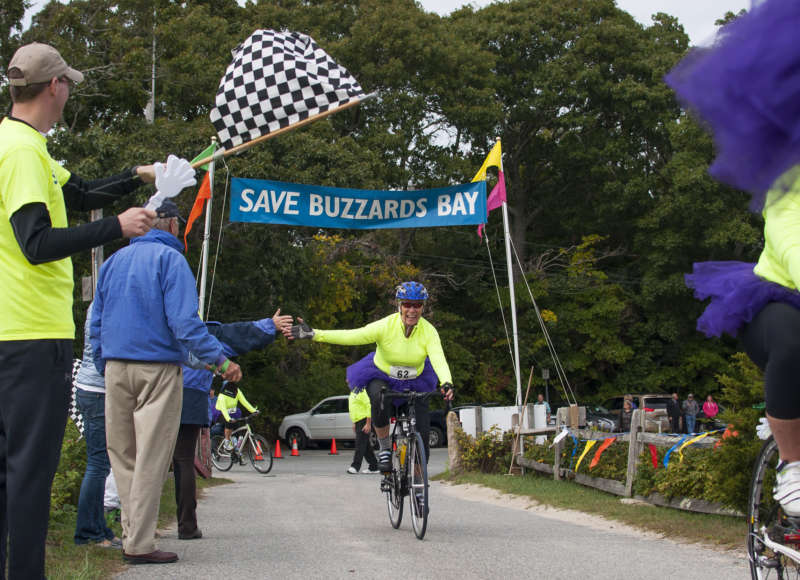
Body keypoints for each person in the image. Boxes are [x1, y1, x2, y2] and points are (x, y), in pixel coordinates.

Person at [0, 41, 163, 579]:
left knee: (10, 470)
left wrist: (142, 173)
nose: (68, 91)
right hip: (29, 334)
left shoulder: (25, 146)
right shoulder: (24, 153)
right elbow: (35, 242)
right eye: (67, 83)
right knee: (29, 469)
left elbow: (86, 192)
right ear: (55, 87)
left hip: (11, 331)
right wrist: (118, 228)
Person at [666, 0, 800, 517]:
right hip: (780, 298)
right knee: (794, 342)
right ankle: (792, 463)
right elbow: (788, 233)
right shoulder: (792, 172)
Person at [91, 199, 242, 565]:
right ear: (173, 226)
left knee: (123, 456)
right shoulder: (171, 260)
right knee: (152, 458)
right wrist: (220, 360)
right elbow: (185, 324)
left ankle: (132, 534)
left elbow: (94, 319)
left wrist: (102, 361)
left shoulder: (113, 262)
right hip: (157, 367)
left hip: (115, 367)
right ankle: (140, 544)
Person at [290, 281, 455, 479]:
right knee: (378, 396)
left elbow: (438, 358)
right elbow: (352, 336)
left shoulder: (429, 331)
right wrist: (315, 334)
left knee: (423, 441)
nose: (412, 310)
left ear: (423, 307)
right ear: (399, 305)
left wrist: (446, 382)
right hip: (382, 375)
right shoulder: (385, 326)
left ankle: (419, 487)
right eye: (407, 305)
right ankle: (385, 449)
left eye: (417, 305)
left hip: (416, 380)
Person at [176, 312, 292, 540]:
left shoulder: (162, 327)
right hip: (191, 396)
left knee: (152, 459)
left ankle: (141, 527)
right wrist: (270, 325)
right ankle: (187, 526)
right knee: (184, 460)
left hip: (159, 390)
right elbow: (241, 334)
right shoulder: (207, 335)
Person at [73, 302, 121, 548]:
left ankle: (99, 528)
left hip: (93, 388)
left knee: (102, 463)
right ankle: (87, 532)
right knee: (98, 463)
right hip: (97, 389)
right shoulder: (105, 303)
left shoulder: (99, 302)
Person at [216, 381, 258, 451]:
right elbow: (223, 409)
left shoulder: (237, 391)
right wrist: (228, 419)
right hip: (220, 413)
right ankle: (226, 441)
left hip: (232, 412)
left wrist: (253, 410)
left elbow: (244, 402)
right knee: (229, 423)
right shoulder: (222, 396)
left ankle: (236, 450)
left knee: (238, 428)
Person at [348, 388, 379, 474]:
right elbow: (354, 408)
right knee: (365, 447)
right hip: (358, 421)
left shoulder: (361, 390)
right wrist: (354, 422)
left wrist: (368, 423)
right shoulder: (353, 391)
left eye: (349, 379)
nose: (347, 381)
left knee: (360, 444)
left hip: (364, 421)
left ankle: (355, 466)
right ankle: (374, 466)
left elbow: (368, 405)